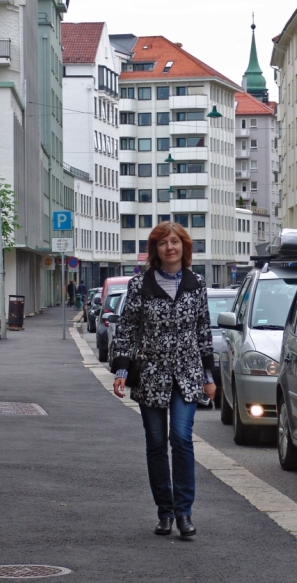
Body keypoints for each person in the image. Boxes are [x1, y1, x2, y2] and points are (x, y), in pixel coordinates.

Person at [112, 222, 215, 538]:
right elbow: (127, 329)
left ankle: (184, 513)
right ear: (155, 250)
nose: (170, 247)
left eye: (175, 242)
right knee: (156, 443)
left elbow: (203, 332)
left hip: (186, 374)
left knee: (181, 438)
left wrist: (209, 376)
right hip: (150, 375)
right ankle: (165, 513)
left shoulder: (196, 284)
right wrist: (121, 371)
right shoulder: (139, 285)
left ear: (184, 247)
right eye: (163, 243)